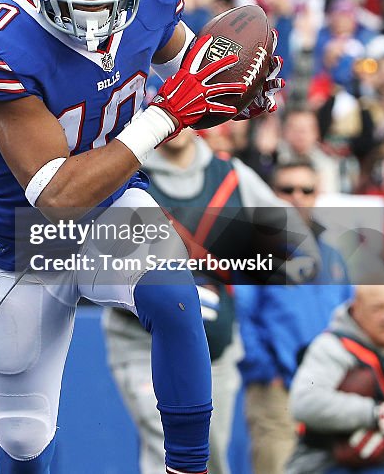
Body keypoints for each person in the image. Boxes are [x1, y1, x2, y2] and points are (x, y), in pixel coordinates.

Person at [0, 0, 285, 474]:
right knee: (24, 437)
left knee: (177, 298)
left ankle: (188, 468)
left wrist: (232, 87)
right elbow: (56, 196)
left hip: (112, 209)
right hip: (20, 237)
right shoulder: (0, 41)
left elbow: (180, 57)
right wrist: (168, 113)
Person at [103, 129, 317, 474]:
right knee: (166, 445)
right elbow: (85, 249)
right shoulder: (126, 170)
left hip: (214, 345)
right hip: (141, 341)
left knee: (208, 456)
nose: (176, 125)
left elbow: (297, 245)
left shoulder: (230, 175)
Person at [235, 160, 353, 474]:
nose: (297, 196)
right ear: (271, 194)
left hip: (329, 388)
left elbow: (349, 316)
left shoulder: (333, 254)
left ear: (318, 194)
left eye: (306, 189)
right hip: (276, 390)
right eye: (287, 189)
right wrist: (264, 370)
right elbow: (241, 318)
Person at [287, 284, 384, 474]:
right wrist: (373, 413)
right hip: (327, 462)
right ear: (356, 307)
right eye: (378, 308)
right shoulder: (332, 346)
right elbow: (305, 401)